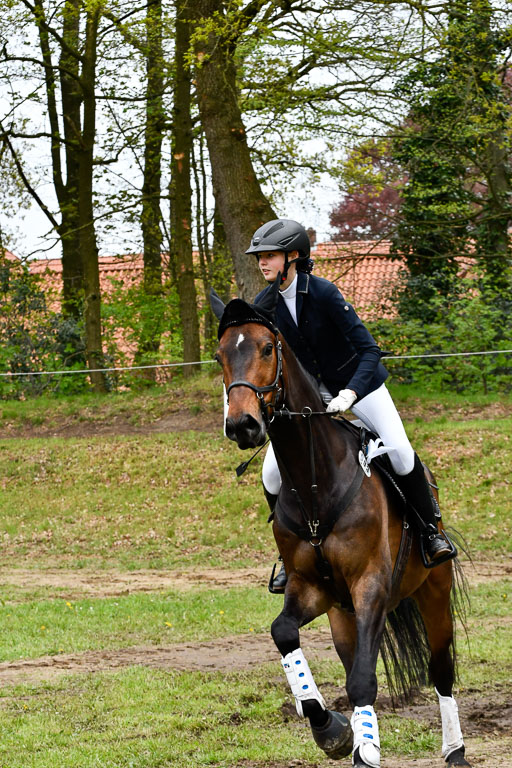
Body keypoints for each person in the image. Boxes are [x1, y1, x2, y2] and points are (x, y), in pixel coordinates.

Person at [246, 218, 454, 593]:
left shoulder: (324, 293)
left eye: (270, 256)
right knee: (272, 476)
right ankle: (286, 553)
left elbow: (369, 350)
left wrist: (352, 394)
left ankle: (430, 531)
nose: (262, 263)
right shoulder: (264, 304)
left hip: (362, 387)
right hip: (313, 400)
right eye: (260, 257)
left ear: (293, 256)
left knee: (403, 455)